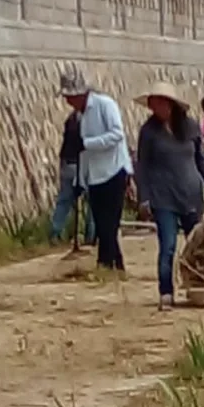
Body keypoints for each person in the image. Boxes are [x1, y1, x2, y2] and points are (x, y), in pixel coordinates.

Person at [135, 82, 204, 311]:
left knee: (198, 245)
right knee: (168, 245)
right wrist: (144, 197)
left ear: (170, 104)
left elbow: (201, 157)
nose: (155, 108)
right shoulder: (148, 132)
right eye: (152, 104)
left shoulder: (190, 127)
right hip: (163, 196)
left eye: (159, 102)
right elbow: (142, 166)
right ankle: (166, 293)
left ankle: (200, 288)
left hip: (191, 193)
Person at [61, 68, 132, 274]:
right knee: (102, 223)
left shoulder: (105, 105)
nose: (68, 102)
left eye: (70, 97)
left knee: (109, 224)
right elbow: (82, 154)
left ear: (82, 93)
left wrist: (88, 143)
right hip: (94, 175)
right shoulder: (78, 117)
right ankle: (115, 266)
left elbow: (117, 134)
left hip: (114, 170)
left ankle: (105, 264)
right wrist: (79, 182)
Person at [48, 109, 95, 245]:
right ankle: (91, 235)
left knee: (64, 200)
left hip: (67, 163)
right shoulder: (89, 121)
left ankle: (55, 233)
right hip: (83, 164)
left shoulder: (71, 119)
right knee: (92, 201)